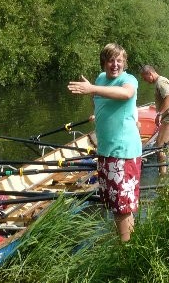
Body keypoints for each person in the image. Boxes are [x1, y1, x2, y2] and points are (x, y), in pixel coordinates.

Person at [67, 43, 141, 242]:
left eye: (119, 60)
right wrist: (96, 106)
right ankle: (126, 242)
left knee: (122, 206)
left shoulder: (128, 79)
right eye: (111, 60)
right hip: (106, 150)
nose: (115, 64)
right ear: (104, 62)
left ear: (124, 63)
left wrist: (91, 88)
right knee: (114, 203)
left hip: (123, 151)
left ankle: (127, 250)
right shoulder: (101, 79)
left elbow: (126, 94)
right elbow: (100, 97)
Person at [140, 65, 169, 175]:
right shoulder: (163, 80)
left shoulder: (160, 83)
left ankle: (162, 175)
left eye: (145, 78)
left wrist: (159, 113)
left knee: (159, 147)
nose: (145, 81)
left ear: (149, 73)